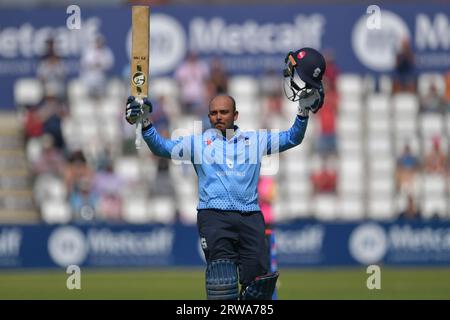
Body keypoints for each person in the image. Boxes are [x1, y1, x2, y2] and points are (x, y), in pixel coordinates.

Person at [125, 48, 326, 300]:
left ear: (235, 115)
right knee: (222, 284)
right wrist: (145, 123)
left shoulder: (254, 140)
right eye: (213, 113)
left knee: (259, 287)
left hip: (250, 216)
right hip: (214, 217)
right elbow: (162, 148)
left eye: (224, 112)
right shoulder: (198, 143)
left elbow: (293, 137)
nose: (218, 117)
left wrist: (303, 111)